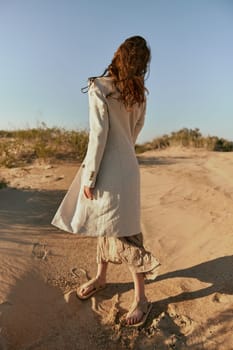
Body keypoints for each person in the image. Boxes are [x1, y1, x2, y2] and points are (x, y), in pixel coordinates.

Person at [52, 35, 160, 327]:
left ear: (118, 55)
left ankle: (141, 298)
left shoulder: (99, 86)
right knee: (108, 225)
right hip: (128, 167)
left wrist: (90, 175)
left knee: (123, 234)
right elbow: (135, 133)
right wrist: (123, 151)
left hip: (106, 170)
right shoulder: (139, 94)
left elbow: (98, 136)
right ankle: (101, 277)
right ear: (142, 64)